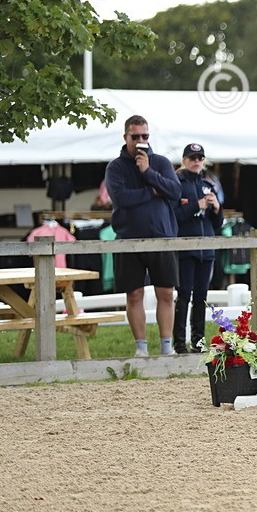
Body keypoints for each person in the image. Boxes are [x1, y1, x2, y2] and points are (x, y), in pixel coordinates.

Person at [104, 115, 181, 356]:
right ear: (125, 137)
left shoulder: (160, 162)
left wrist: (148, 172)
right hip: (129, 239)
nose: (140, 141)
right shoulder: (115, 167)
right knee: (134, 294)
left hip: (162, 236)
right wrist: (153, 191)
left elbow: (175, 191)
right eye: (135, 136)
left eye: (145, 136)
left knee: (166, 293)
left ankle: (166, 347)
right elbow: (121, 198)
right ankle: (141, 348)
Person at [173, 143, 223, 353]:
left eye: (200, 158)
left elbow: (217, 224)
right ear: (184, 160)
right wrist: (196, 205)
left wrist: (217, 208)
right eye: (192, 158)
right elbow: (174, 216)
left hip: (207, 248)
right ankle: (179, 343)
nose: (196, 162)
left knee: (201, 296)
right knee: (184, 294)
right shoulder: (177, 183)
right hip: (186, 248)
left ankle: (198, 341)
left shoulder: (208, 184)